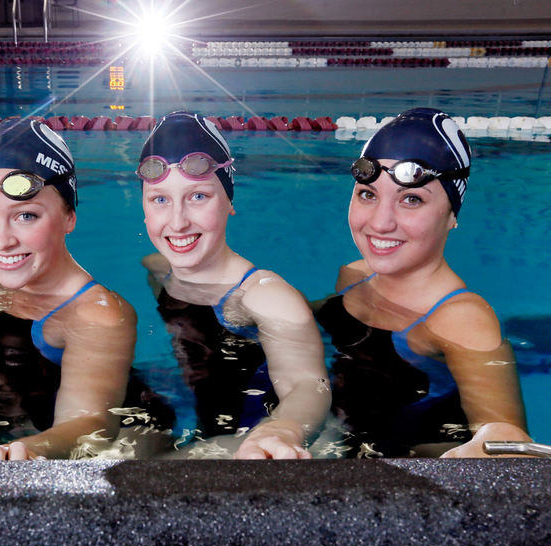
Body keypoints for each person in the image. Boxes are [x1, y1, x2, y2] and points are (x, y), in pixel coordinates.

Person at [311, 107, 530, 458]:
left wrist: (493, 444)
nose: (380, 224)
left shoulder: (460, 317)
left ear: (451, 215)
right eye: (368, 194)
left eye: (411, 199)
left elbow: (504, 434)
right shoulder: (355, 274)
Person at [0, 117, 174, 460]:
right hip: (31, 412)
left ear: (69, 217)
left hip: (128, 431)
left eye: (26, 216)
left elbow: (90, 422)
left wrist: (24, 449)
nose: (1, 241)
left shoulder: (98, 314)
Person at [139, 111, 331, 459]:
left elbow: (308, 384)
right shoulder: (158, 271)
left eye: (198, 197)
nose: (178, 222)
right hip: (196, 416)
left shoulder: (265, 296)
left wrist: (281, 429)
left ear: (229, 201)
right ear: (144, 208)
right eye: (160, 199)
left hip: (254, 437)